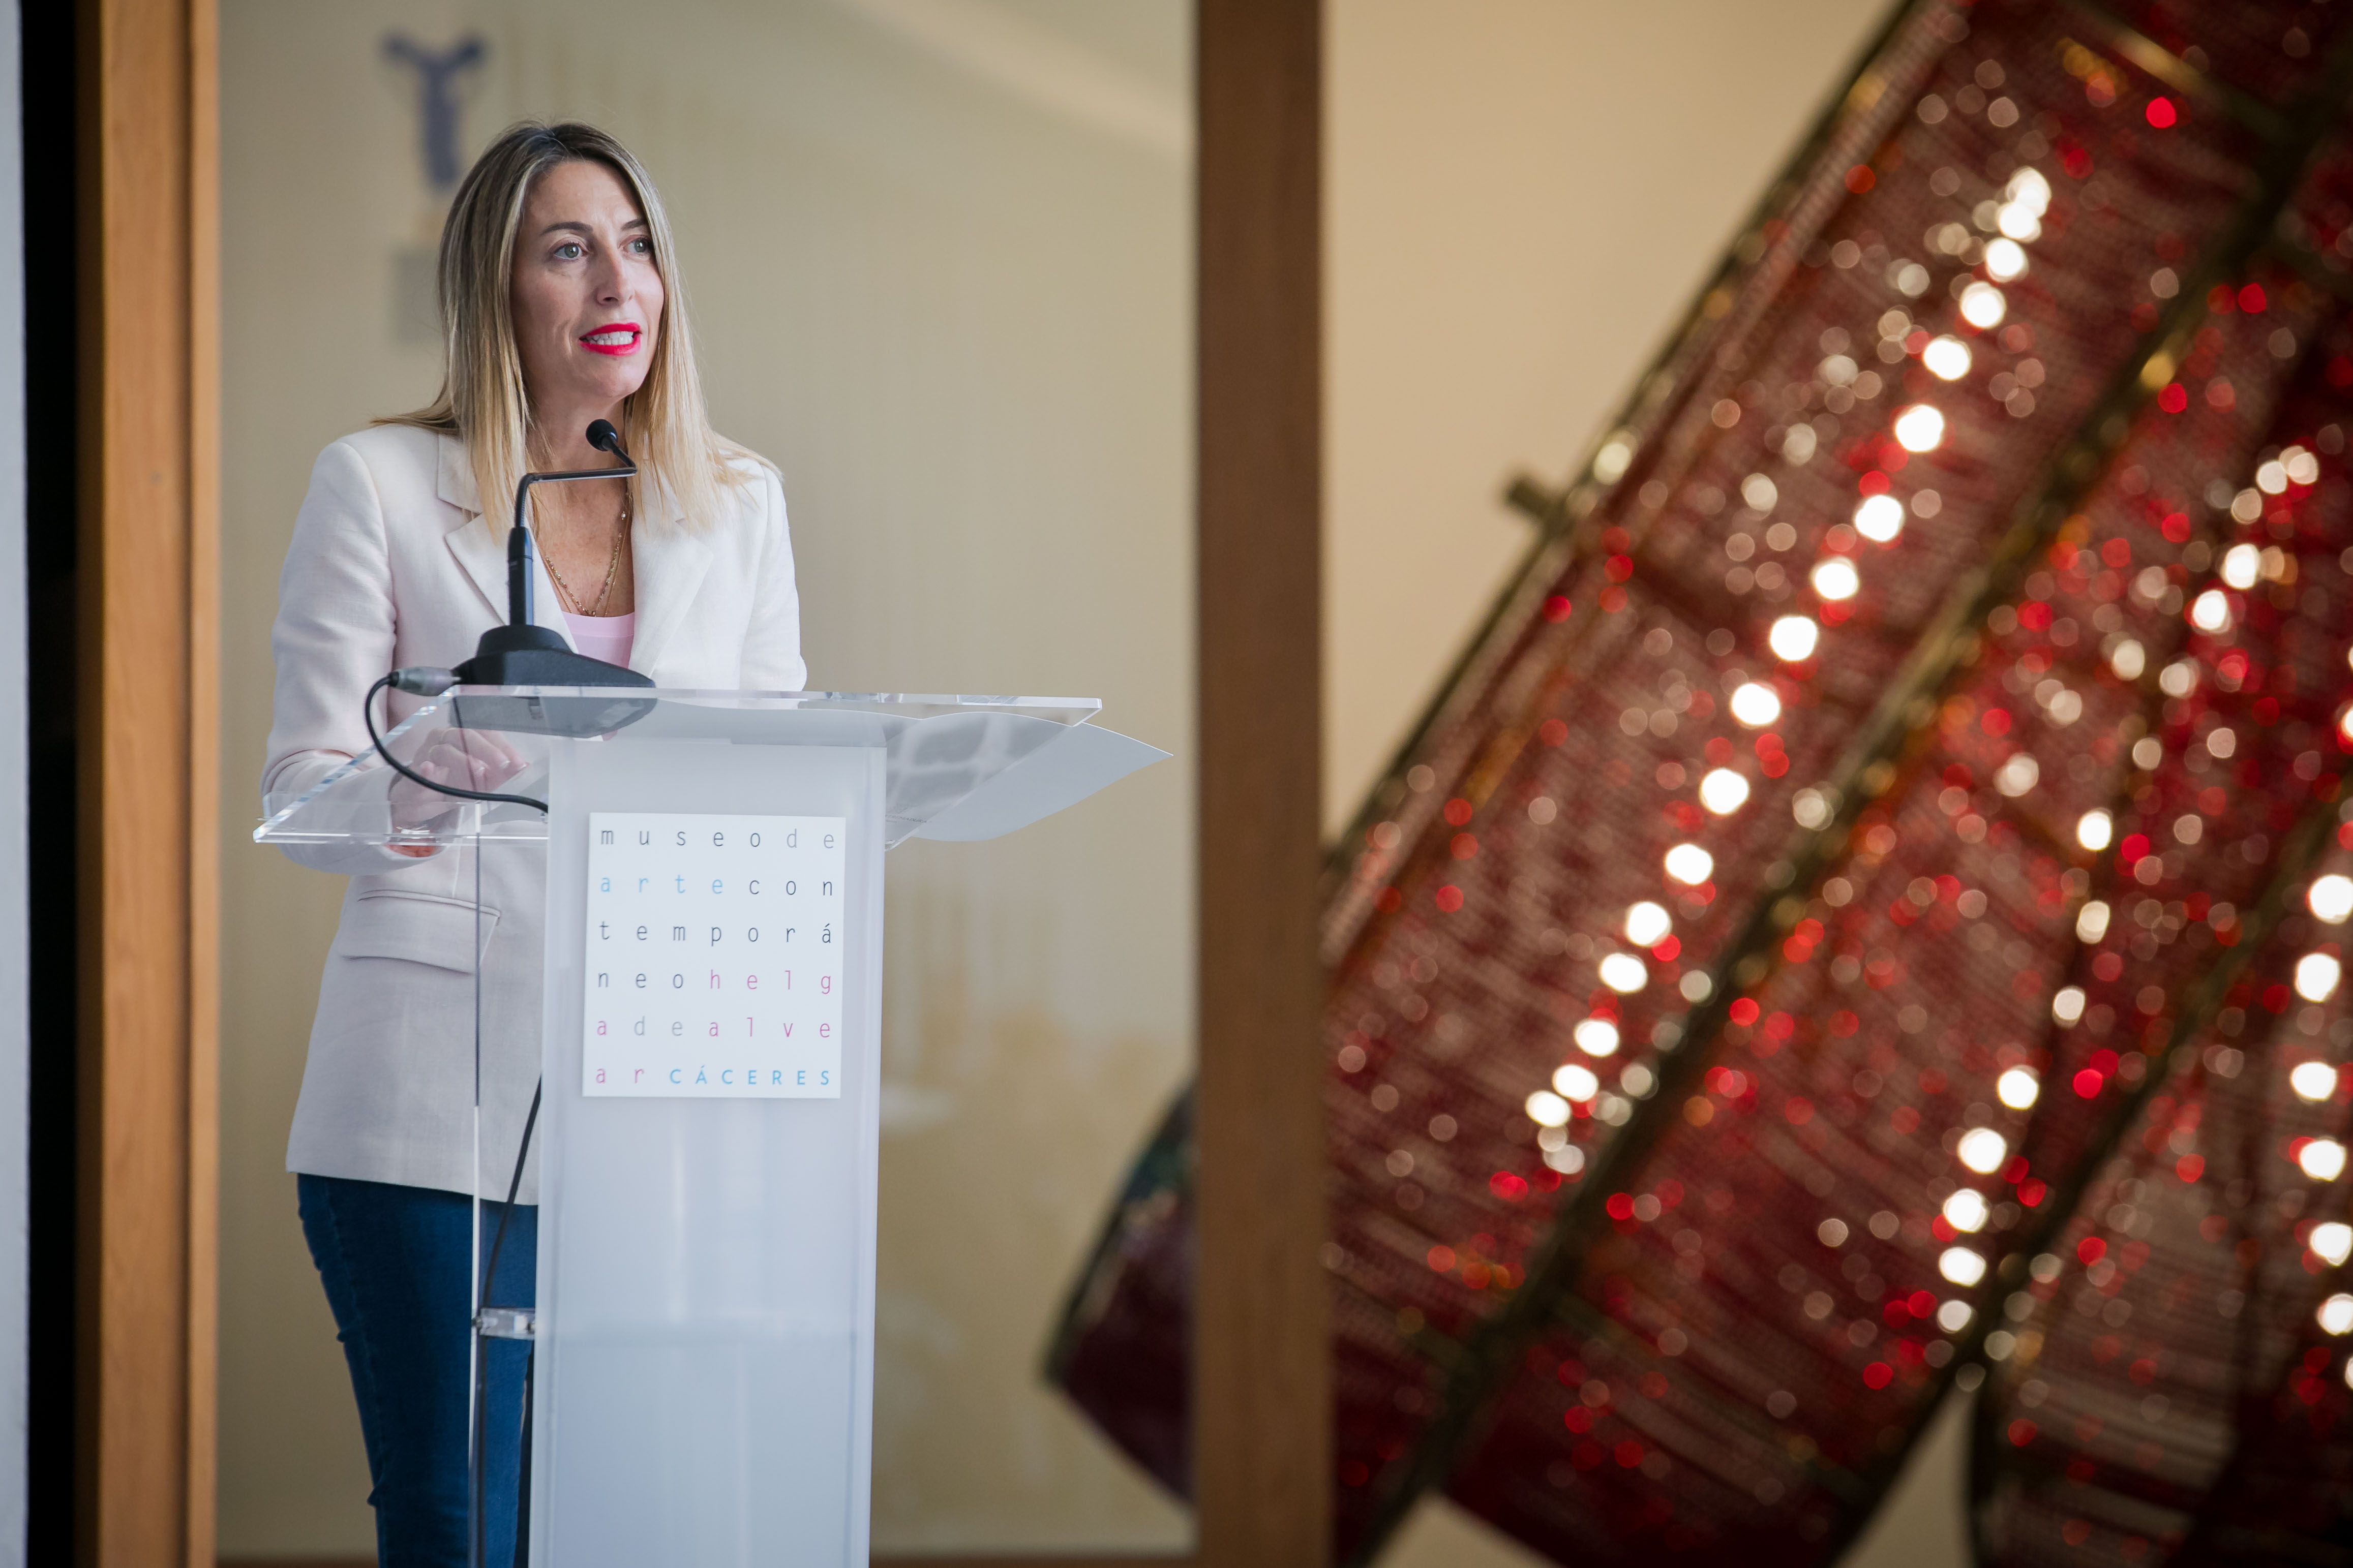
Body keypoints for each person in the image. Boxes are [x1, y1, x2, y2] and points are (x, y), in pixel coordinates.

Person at [260, 120, 805, 1567]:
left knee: (622, 1518)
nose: (614, 277)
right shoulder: (376, 483)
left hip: (659, 1101)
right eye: (568, 249)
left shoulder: (738, 507)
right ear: (497, 291)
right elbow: (300, 792)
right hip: (429, 1106)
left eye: (636, 245)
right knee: (463, 1520)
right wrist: (418, 773)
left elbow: (779, 781)